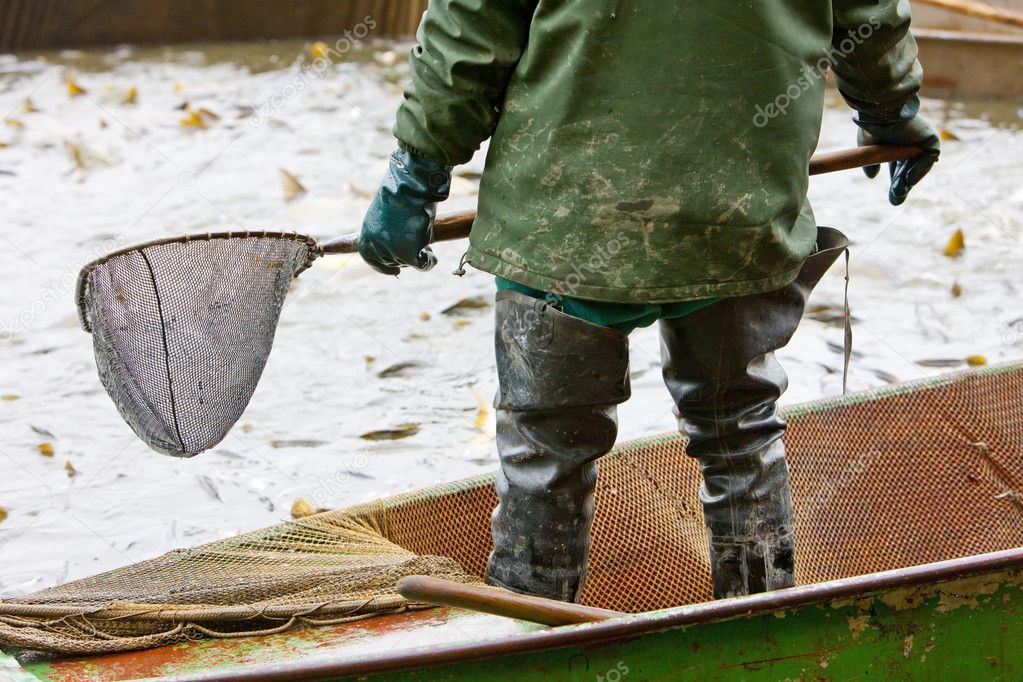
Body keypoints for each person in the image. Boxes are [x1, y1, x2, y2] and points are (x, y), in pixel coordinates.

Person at [358, 0, 940, 602]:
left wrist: (417, 172)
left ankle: (529, 641)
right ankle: (760, 627)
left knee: (545, 457)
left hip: (566, 219)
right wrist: (891, 110)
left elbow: (471, 26)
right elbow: (866, 13)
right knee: (739, 432)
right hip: (740, 211)